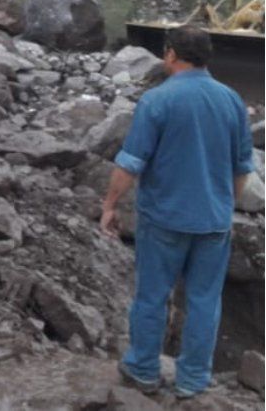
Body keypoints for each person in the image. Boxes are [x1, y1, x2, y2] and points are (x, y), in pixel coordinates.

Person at [100, 25, 255, 399]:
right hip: (213, 223)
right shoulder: (232, 101)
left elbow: (130, 163)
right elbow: (241, 168)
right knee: (204, 300)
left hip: (164, 219)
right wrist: (226, 208)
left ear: (170, 54)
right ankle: (193, 380)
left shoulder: (158, 101)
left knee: (152, 296)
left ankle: (142, 370)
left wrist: (109, 205)